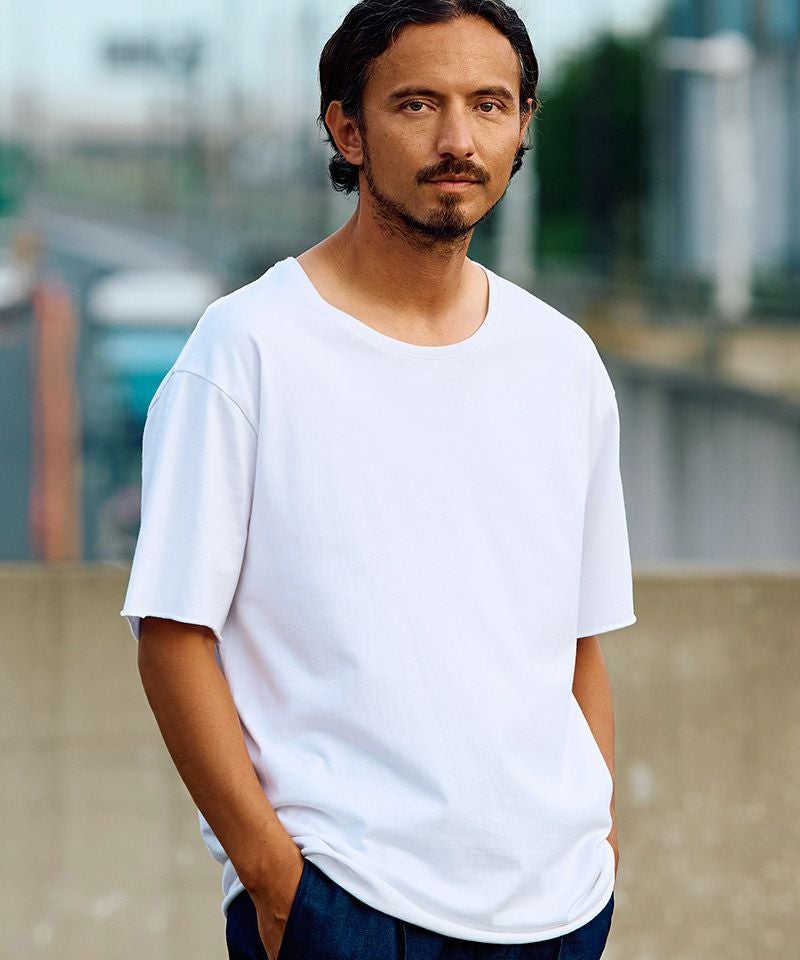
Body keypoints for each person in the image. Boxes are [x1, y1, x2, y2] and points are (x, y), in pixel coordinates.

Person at [121, 2, 637, 958]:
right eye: (416, 104)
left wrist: (595, 842)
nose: (457, 140)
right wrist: (275, 881)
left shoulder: (563, 362)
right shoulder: (247, 349)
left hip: (558, 910)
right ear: (347, 130)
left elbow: (578, 643)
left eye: (489, 104)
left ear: (523, 124)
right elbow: (173, 635)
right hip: (344, 905)